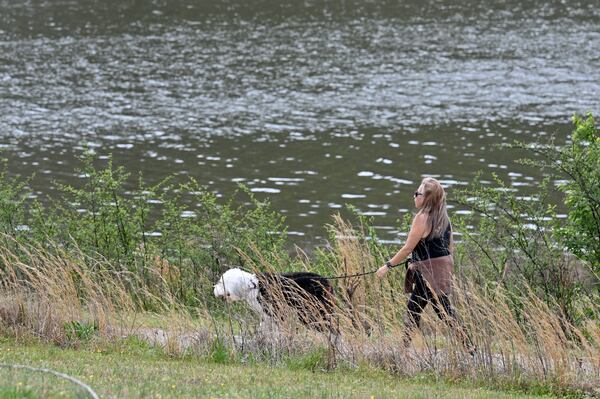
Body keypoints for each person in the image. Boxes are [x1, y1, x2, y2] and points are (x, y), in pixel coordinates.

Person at [376, 177, 473, 353]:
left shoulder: (422, 218)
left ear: (427, 198)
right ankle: (470, 348)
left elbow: (407, 248)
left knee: (422, 310)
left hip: (428, 271)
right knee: (440, 310)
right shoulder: (443, 218)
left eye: (417, 193)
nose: (414, 196)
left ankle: (401, 351)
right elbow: (449, 247)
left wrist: (387, 266)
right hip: (441, 269)